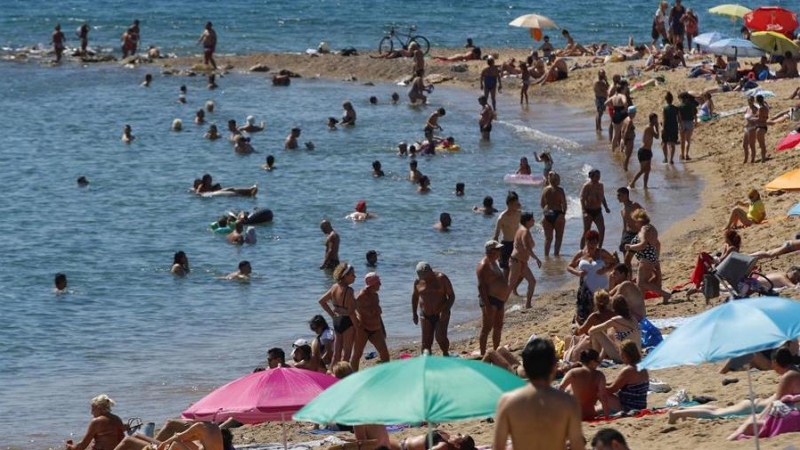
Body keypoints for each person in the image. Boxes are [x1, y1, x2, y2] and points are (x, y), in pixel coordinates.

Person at [492, 338, 583, 450]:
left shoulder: (507, 402)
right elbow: (577, 446)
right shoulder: (568, 403)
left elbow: (498, 447)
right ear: (554, 366)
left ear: (524, 366)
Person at [568, 230, 617, 324]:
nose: (592, 245)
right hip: (586, 289)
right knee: (587, 314)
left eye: (595, 242)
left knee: (602, 312)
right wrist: (577, 273)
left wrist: (605, 270)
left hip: (601, 288)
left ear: (598, 242)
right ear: (586, 241)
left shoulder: (601, 253)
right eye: (590, 242)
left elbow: (614, 262)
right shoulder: (581, 254)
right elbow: (569, 266)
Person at [625, 208, 671, 302]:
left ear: (639, 220)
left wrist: (630, 247)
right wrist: (655, 259)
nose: (635, 224)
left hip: (645, 259)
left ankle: (665, 294)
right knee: (642, 283)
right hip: (651, 258)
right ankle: (641, 302)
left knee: (641, 283)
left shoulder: (643, 229)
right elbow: (657, 244)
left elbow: (643, 244)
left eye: (636, 221)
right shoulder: (652, 228)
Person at [318, 263, 359, 366]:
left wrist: (332, 315)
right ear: (345, 276)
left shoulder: (334, 286)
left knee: (336, 353)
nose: (355, 277)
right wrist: (357, 326)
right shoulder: (349, 291)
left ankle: (331, 372)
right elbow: (351, 312)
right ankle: (343, 376)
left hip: (337, 321)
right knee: (347, 353)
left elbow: (322, 301)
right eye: (352, 275)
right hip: (347, 321)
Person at [411, 262, 455, 356]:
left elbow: (451, 296)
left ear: (431, 270)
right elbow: (415, 297)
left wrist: (445, 310)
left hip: (441, 313)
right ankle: (427, 362)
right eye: (422, 277)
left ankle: (446, 354)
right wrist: (414, 313)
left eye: (426, 276)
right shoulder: (418, 281)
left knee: (440, 337)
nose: (424, 279)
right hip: (425, 314)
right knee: (425, 342)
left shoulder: (441, 278)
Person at [477, 240, 511, 355]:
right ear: (490, 251)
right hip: (489, 299)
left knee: (498, 326)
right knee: (486, 328)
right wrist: (487, 306)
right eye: (497, 250)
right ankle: (483, 353)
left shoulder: (494, 262)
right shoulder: (484, 265)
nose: (500, 252)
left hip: (499, 300)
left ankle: (496, 351)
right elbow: (481, 287)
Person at [350, 272, 390, 370]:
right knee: (357, 355)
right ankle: (353, 376)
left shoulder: (375, 296)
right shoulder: (361, 296)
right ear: (372, 284)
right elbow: (350, 309)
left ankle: (384, 373)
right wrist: (356, 323)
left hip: (376, 329)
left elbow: (378, 315)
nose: (380, 284)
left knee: (385, 354)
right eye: (378, 283)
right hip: (363, 329)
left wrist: (383, 328)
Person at [558, 349, 610, 419]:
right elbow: (603, 397)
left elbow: (561, 387)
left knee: (569, 389)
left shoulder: (573, 372)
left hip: (574, 415)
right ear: (592, 362)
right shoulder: (599, 375)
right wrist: (607, 416)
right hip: (590, 414)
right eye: (598, 361)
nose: (598, 364)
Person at [588, 297, 641, 363]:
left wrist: (590, 334)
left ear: (614, 308)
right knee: (610, 330)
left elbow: (592, 330)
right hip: (637, 356)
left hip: (624, 358)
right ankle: (599, 358)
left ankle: (594, 359)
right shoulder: (633, 318)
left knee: (595, 332)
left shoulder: (616, 320)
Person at [509, 212, 543, 309]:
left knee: (532, 281)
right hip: (516, 261)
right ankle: (500, 304)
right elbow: (526, 247)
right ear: (527, 221)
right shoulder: (525, 231)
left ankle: (528, 305)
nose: (534, 221)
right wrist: (536, 259)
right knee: (510, 285)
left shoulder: (521, 229)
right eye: (532, 219)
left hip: (521, 262)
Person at [580, 169, 611, 248]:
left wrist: (606, 207)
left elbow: (602, 197)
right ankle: (582, 249)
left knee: (602, 229)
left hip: (598, 210)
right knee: (586, 231)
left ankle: (599, 248)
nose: (598, 178)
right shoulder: (586, 186)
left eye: (599, 176)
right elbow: (582, 199)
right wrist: (584, 211)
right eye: (596, 176)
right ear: (591, 177)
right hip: (588, 211)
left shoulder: (601, 185)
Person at [493, 191, 522, 279]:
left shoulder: (519, 214)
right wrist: (496, 252)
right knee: (506, 270)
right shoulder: (502, 217)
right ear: (509, 204)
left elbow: (525, 228)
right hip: (505, 245)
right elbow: (496, 236)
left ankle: (513, 289)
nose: (517, 205)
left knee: (520, 268)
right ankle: (505, 291)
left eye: (517, 203)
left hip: (516, 244)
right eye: (515, 204)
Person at [540, 172, 567, 256]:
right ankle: (556, 254)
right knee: (558, 237)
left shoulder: (545, 189)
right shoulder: (560, 190)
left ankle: (546, 257)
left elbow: (542, 204)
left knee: (548, 238)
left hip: (547, 213)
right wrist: (563, 214)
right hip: (558, 213)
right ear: (556, 180)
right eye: (559, 179)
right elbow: (564, 204)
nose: (560, 180)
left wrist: (546, 211)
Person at [629, 113, 658, 189]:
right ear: (652, 120)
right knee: (643, 170)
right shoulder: (649, 128)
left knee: (648, 170)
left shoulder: (651, 127)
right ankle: (632, 183)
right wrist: (657, 127)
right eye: (656, 119)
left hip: (648, 151)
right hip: (644, 151)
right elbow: (657, 136)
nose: (657, 121)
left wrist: (656, 126)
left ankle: (645, 186)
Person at [616, 187, 642, 254]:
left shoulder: (634, 205)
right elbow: (624, 225)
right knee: (623, 249)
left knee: (632, 254)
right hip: (627, 234)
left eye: (619, 195)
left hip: (637, 233)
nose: (617, 197)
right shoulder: (622, 210)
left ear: (625, 195)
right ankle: (626, 264)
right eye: (617, 195)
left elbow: (644, 216)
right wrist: (623, 237)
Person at [606, 81, 629, 153]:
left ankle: (613, 151)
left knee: (615, 135)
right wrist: (625, 109)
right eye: (625, 89)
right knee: (623, 135)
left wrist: (613, 107)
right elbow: (625, 102)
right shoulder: (622, 96)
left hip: (615, 114)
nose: (626, 90)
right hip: (622, 115)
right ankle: (622, 151)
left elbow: (606, 103)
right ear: (622, 89)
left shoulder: (614, 96)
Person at [398, 430, 475, 450]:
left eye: (459, 436)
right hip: (403, 442)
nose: (457, 434)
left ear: (457, 445)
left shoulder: (443, 446)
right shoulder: (447, 436)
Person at [677, 91, 698, 160]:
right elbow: (695, 115)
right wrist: (696, 122)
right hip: (689, 123)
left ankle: (682, 154)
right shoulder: (692, 105)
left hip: (681, 123)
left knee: (682, 140)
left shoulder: (679, 106)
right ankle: (687, 155)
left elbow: (678, 116)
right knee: (688, 140)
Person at [662, 91, 679, 164]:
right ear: (672, 99)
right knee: (672, 144)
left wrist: (662, 128)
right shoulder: (676, 108)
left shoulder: (664, 108)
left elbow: (664, 119)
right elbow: (679, 119)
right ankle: (671, 159)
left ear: (666, 99)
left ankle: (665, 158)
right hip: (674, 127)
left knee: (664, 143)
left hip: (667, 128)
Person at [620, 106, 637, 171]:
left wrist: (622, 139)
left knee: (626, 156)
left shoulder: (626, 119)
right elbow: (626, 131)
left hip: (624, 139)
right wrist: (624, 141)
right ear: (632, 113)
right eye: (635, 112)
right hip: (629, 140)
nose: (635, 114)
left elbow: (622, 129)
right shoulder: (630, 121)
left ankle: (624, 168)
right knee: (628, 156)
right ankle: (625, 169)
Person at [754, 94, 770, 163]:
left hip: (760, 127)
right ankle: (764, 156)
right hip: (764, 126)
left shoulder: (761, 108)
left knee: (761, 144)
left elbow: (759, 118)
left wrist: (753, 118)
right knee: (762, 143)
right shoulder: (766, 106)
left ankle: (763, 158)